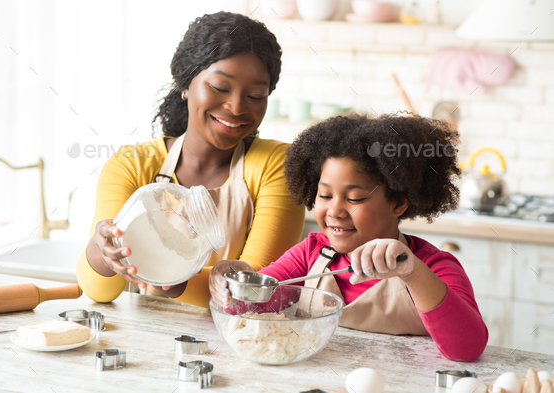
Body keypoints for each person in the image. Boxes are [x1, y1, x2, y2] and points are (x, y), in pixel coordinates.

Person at [210, 113, 489, 362]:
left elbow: (467, 349)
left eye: (354, 198)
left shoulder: (433, 267)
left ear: (398, 203)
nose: (334, 211)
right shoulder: (310, 254)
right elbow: (251, 307)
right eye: (325, 195)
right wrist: (233, 286)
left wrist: (414, 274)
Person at [76, 11, 305, 308]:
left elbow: (254, 290)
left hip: (236, 343)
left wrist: (169, 278)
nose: (236, 107)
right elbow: (99, 292)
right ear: (186, 84)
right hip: (145, 343)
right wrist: (102, 250)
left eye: (256, 95)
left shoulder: (276, 165)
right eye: (220, 88)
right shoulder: (132, 164)